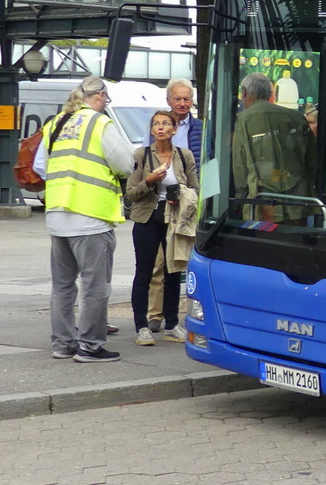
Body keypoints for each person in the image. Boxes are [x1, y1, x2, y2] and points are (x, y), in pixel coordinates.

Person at [32, 77, 134, 362]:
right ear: (100, 96)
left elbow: (40, 165)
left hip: (57, 216)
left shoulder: (55, 123)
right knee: (94, 285)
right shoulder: (99, 123)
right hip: (90, 217)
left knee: (62, 285)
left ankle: (63, 344)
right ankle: (90, 345)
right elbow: (125, 164)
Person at [125, 110, 198, 345]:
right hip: (147, 217)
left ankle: (172, 324)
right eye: (156, 124)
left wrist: (182, 195)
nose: (161, 128)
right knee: (144, 272)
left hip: (174, 218)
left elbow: (195, 189)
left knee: (173, 271)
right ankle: (141, 327)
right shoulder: (142, 155)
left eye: (166, 124)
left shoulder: (184, 155)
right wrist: (149, 181)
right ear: (151, 130)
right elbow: (130, 195)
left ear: (174, 129)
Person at [146, 78, 202, 330]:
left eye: (187, 98)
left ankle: (183, 315)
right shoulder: (160, 124)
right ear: (168, 101)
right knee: (159, 261)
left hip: (188, 201)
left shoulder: (201, 128)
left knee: (183, 259)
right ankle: (155, 315)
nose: (182, 103)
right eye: (177, 99)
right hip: (160, 201)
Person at [231, 71, 317, 220]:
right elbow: (312, 160)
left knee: (266, 241)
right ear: (271, 93)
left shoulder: (243, 121)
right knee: (294, 241)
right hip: (299, 200)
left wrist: (240, 199)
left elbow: (240, 165)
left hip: (262, 198)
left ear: (244, 93)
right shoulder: (296, 117)